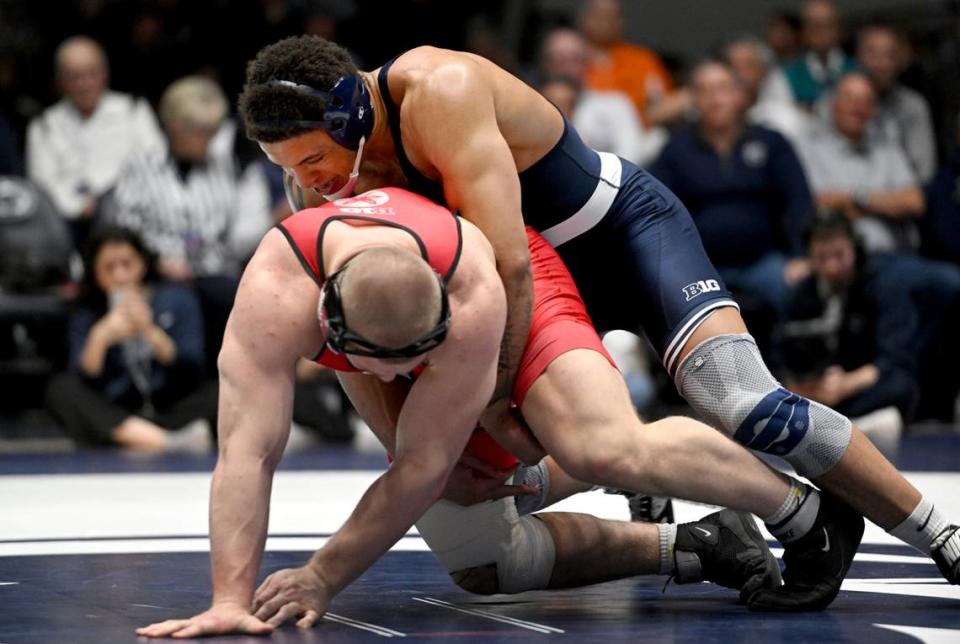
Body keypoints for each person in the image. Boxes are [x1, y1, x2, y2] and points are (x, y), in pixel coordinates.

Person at [235, 36, 960, 608]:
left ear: (351, 114)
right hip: (517, 273)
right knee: (472, 503)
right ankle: (676, 516)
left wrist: (491, 404)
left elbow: (513, 264)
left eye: (312, 158)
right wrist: (423, 448)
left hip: (614, 239)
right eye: (285, 167)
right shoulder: (317, 186)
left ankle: (935, 529)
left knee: (739, 399)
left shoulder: (436, 91)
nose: (310, 183)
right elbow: (364, 345)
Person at [139, 187, 849, 637]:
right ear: (325, 321)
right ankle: (702, 544)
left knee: (600, 443)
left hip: (513, 282)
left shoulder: (469, 297)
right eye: (381, 365)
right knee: (480, 560)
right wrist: (228, 598)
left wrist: (323, 575)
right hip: (404, 303)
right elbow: (247, 451)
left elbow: (419, 464)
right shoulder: (272, 292)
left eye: (408, 360)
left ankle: (800, 510)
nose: (393, 377)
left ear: (437, 323)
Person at [103, 75, 272, 369]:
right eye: (201, 130)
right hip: (156, 272)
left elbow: (235, 235)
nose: (210, 138)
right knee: (179, 302)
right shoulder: (140, 165)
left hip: (212, 272)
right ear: (175, 127)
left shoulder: (226, 166)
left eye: (213, 130)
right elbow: (124, 228)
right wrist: (156, 260)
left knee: (244, 298)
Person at [649, 60, 813, 321]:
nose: (715, 99)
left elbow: (798, 201)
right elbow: (656, 211)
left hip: (766, 260)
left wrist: (801, 256)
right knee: (672, 309)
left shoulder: (770, 141)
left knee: (802, 292)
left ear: (739, 94)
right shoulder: (676, 149)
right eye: (704, 91)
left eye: (722, 89)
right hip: (700, 267)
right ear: (693, 100)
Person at [779, 213, 960, 440]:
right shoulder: (803, 292)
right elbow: (780, 352)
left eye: (839, 255)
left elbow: (894, 359)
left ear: (855, 248)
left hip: (867, 374)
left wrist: (845, 385)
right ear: (809, 258)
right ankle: (845, 422)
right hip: (821, 384)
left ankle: (839, 424)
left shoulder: (886, 285)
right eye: (821, 258)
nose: (832, 267)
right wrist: (807, 388)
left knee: (900, 386)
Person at [45, 226, 215, 452]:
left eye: (127, 264)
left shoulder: (177, 298)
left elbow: (192, 366)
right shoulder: (87, 310)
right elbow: (84, 375)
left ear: (142, 263)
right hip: (119, 412)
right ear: (95, 272)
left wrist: (150, 331)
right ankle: (166, 442)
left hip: (172, 405)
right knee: (61, 391)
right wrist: (101, 336)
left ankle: (145, 438)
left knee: (226, 389)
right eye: (108, 268)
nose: (120, 275)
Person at [25, 36, 164, 237]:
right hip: (69, 225)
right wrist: (79, 206)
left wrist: (114, 203)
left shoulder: (133, 111)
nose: (84, 84)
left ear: (105, 73)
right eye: (74, 76)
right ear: (60, 81)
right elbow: (41, 186)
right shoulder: (44, 125)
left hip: (132, 222)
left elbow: (156, 169)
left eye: (92, 73)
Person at [798, 73, 925, 254]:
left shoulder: (888, 150)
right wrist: (885, 205)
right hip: (837, 260)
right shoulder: (810, 150)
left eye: (865, 101)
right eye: (850, 99)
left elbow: (914, 203)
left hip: (894, 254)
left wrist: (856, 200)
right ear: (834, 106)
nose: (857, 107)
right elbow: (818, 204)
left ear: (873, 110)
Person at [538, 27, 664, 166]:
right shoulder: (528, 107)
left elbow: (630, 159)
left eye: (573, 59)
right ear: (544, 64)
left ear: (587, 64)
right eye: (557, 59)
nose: (564, 68)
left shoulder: (615, 104)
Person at [576, 0, 688, 128]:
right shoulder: (569, 57)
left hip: (638, 135)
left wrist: (641, 121)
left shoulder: (642, 59)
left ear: (621, 22)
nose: (604, 22)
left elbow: (665, 103)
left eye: (611, 16)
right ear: (583, 18)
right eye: (598, 15)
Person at [853, 24, 937, 184]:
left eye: (889, 55)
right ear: (859, 56)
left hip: (903, 200)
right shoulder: (834, 104)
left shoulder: (914, 107)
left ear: (900, 59)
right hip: (848, 200)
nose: (882, 63)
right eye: (873, 54)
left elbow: (925, 173)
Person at [781, 0, 857, 108]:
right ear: (803, 31)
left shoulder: (857, 70)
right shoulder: (786, 75)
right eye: (815, 26)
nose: (822, 32)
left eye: (828, 24)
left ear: (840, 29)